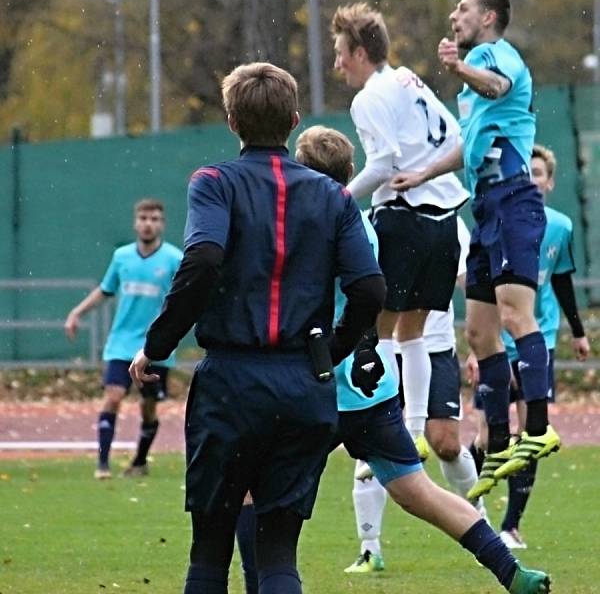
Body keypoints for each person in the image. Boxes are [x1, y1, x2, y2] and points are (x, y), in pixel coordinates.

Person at [129, 62, 386, 594]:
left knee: (209, 553)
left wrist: (156, 347)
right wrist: (331, 352)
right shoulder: (334, 197)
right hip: (301, 386)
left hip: (230, 384)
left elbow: (202, 260)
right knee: (276, 555)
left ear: (230, 121)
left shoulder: (214, 183)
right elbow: (369, 289)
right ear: (294, 121)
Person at [294, 124, 551, 594]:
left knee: (263, 490)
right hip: (374, 387)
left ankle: (265, 579)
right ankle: (509, 572)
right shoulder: (367, 226)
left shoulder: (309, 225)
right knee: (418, 490)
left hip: (320, 384)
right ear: (351, 171)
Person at [392, 0, 560, 500]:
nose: (454, 15)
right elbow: (470, 142)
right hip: (485, 206)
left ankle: (538, 429)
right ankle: (504, 444)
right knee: (482, 335)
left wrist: (461, 68)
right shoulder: (472, 80)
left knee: (515, 315)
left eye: (463, 9)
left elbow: (496, 83)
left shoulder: (495, 54)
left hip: (513, 200)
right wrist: (423, 173)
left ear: (487, 16)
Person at [332, 3, 469, 458]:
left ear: (360, 51)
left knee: (383, 328)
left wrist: (340, 199)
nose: (337, 65)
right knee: (415, 329)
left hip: (404, 215)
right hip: (444, 217)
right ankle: (412, 431)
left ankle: (387, 423)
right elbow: (456, 137)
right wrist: (429, 173)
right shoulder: (409, 78)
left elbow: (384, 162)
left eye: (340, 53)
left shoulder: (368, 97)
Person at [346, 216, 487, 573]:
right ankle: (369, 548)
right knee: (370, 445)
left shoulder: (449, 222)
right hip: (384, 349)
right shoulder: (378, 221)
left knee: (447, 444)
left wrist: (483, 342)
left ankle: (481, 522)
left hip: (435, 349)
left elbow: (469, 284)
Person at [468, 144, 590, 549]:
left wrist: (577, 330)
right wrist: (476, 345)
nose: (535, 178)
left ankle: (511, 524)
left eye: (541, 173)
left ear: (550, 182)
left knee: (528, 432)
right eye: (529, 171)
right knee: (486, 435)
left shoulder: (559, 226)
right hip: (496, 340)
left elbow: (562, 281)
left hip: (535, 337)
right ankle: (477, 508)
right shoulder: (497, 218)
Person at [65, 198, 183, 479]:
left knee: (148, 407)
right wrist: (77, 313)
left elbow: (186, 296)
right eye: (143, 218)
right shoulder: (122, 257)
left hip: (156, 346)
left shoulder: (174, 259)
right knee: (114, 396)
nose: (148, 224)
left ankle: (139, 462)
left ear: (162, 224)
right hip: (121, 343)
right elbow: (106, 290)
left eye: (154, 219)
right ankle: (103, 465)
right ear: (135, 223)